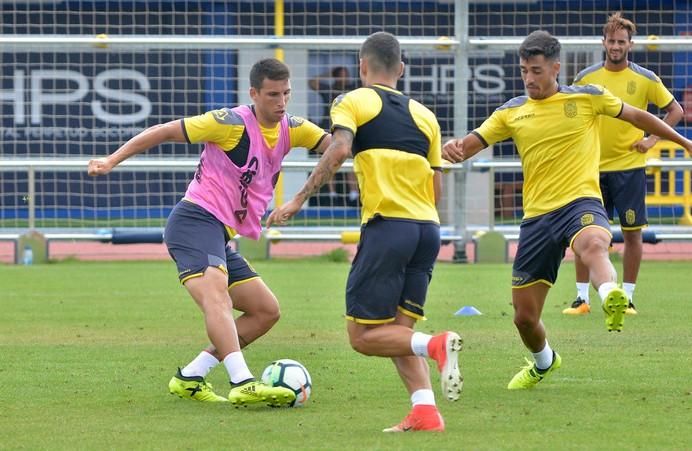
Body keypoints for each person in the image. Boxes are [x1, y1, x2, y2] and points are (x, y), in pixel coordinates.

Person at [442, 31, 692, 390]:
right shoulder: (511, 111)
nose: (529, 79)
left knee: (592, 244)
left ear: (556, 68)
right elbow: (469, 145)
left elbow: (639, 117)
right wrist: (453, 149)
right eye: (525, 70)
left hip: (581, 202)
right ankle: (545, 362)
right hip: (537, 218)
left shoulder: (587, 98)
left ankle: (610, 295)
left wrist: (684, 142)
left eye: (537, 71)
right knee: (524, 318)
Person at [87, 58, 330, 406]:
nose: (281, 103)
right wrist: (112, 160)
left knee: (265, 311)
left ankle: (191, 376)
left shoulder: (294, 128)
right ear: (253, 94)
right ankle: (243, 382)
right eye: (273, 95)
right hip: (193, 222)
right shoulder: (229, 123)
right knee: (219, 299)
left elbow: (336, 146)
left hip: (220, 234)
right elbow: (165, 130)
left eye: (286, 94)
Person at [267, 31, 462, 432]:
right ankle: (425, 412)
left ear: (362, 66)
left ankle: (436, 344)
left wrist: (297, 199)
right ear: (401, 69)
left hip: (388, 227)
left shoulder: (353, 100)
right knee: (396, 331)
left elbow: (338, 150)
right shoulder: (427, 116)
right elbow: (436, 185)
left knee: (362, 337)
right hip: (427, 230)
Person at [563, 13, 683, 316]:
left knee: (632, 233)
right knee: (583, 232)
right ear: (603, 42)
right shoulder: (586, 78)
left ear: (630, 44)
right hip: (590, 169)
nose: (615, 46)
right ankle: (581, 299)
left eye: (621, 41)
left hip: (629, 168)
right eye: (611, 40)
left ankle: (627, 297)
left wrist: (651, 140)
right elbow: (570, 115)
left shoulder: (646, 78)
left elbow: (675, 110)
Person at [308, 66, 360, 205]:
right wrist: (329, 74)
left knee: (349, 159)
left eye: (346, 75)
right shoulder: (329, 90)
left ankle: (353, 194)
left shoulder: (353, 90)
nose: (345, 78)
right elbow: (312, 82)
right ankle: (332, 195)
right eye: (341, 75)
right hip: (329, 128)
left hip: (349, 129)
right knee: (330, 160)